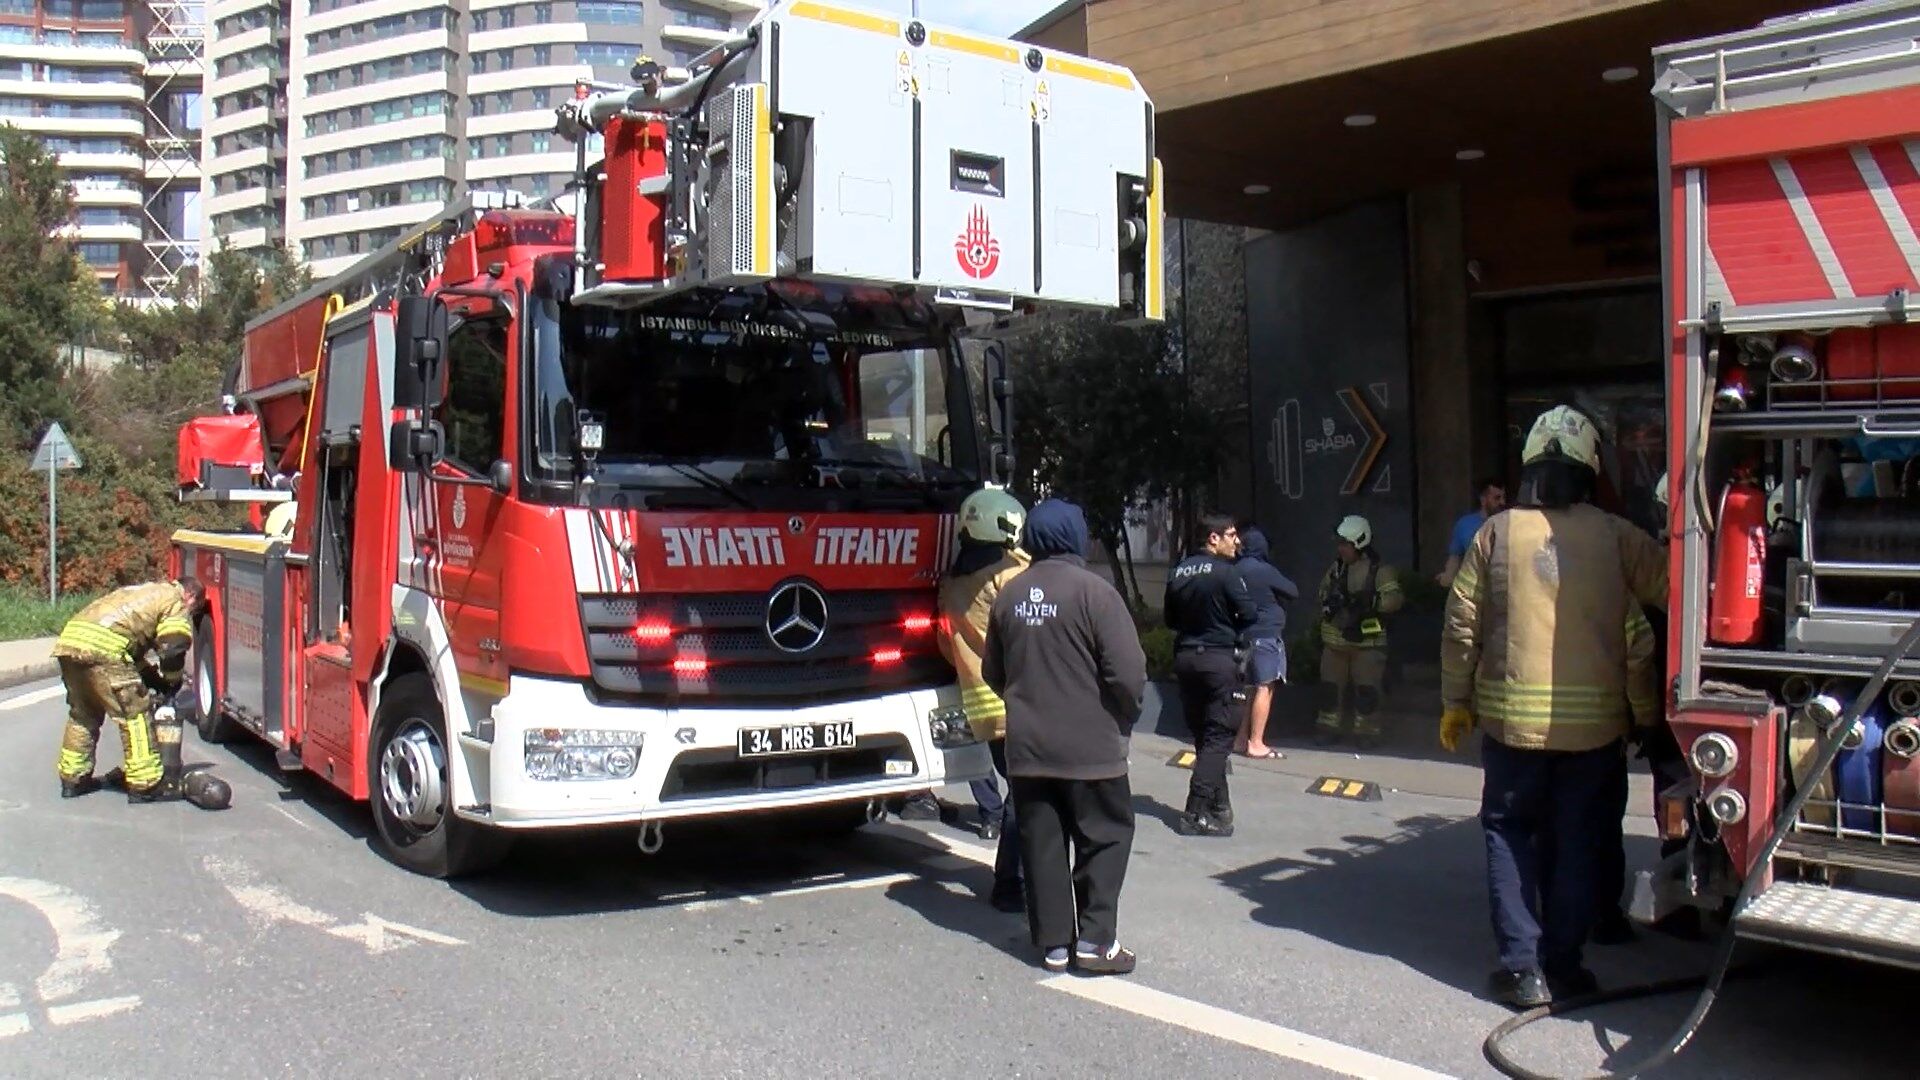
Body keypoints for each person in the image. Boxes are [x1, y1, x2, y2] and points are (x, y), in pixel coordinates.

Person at [1439, 405, 1667, 1009]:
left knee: (1510, 832)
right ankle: (1565, 967)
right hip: (1595, 737)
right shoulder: (1618, 536)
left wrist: (1456, 702)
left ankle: (1522, 970)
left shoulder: (1495, 534)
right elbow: (1666, 606)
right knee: (1576, 841)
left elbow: (1461, 626)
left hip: (1512, 732)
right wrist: (1646, 716)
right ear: (1591, 467)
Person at [983, 498, 1147, 975]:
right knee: (1105, 838)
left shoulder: (1009, 596)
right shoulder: (1096, 594)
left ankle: (1054, 944)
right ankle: (1095, 942)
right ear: (1076, 537)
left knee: (1043, 845)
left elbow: (993, 671)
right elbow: (1128, 673)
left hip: (1029, 749)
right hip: (1091, 748)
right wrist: (1125, 715)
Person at [52, 578, 231, 809]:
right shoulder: (175, 600)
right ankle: (144, 783)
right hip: (104, 650)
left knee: (83, 714)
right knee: (135, 713)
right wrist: (172, 680)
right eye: (194, 609)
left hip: (70, 644)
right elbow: (173, 647)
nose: (190, 614)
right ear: (191, 596)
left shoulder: (142, 592)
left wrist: (155, 681)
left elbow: (131, 654)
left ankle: (73, 779)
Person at [936, 487, 1031, 913]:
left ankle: (1017, 877)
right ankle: (1010, 881)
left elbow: (945, 646)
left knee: (1018, 789)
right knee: (1026, 793)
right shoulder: (1007, 576)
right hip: (1016, 699)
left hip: (981, 705)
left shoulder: (952, 585)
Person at [1163, 513, 1256, 836]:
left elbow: (1170, 619)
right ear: (1213, 538)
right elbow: (1249, 613)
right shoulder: (1226, 572)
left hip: (1186, 659)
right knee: (1219, 737)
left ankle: (1219, 805)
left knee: (1205, 736)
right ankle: (1196, 810)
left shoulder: (1179, 572)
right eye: (1231, 535)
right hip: (1219, 659)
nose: (1237, 541)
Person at [1315, 516, 1403, 749]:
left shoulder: (1380, 571)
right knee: (1329, 690)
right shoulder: (1336, 568)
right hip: (1334, 643)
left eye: (1346, 544)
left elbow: (1395, 599)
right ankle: (1328, 728)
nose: (1341, 548)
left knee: (1367, 692)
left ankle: (1367, 732)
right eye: (1340, 543)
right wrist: (1331, 600)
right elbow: (1322, 592)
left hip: (1367, 644)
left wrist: (1372, 603)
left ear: (1360, 543)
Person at [1234, 526, 1298, 759]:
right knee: (1265, 686)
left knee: (1249, 689)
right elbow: (1292, 591)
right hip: (1266, 635)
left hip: (1244, 636)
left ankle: (1241, 739)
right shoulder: (1263, 570)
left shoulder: (1234, 570)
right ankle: (1257, 742)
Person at [1439, 477, 1506, 587]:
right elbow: (1455, 558)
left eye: (1503, 498)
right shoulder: (1464, 525)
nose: (1502, 502)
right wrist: (1448, 577)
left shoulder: (1508, 524)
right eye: (1497, 498)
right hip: (1473, 587)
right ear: (1483, 499)